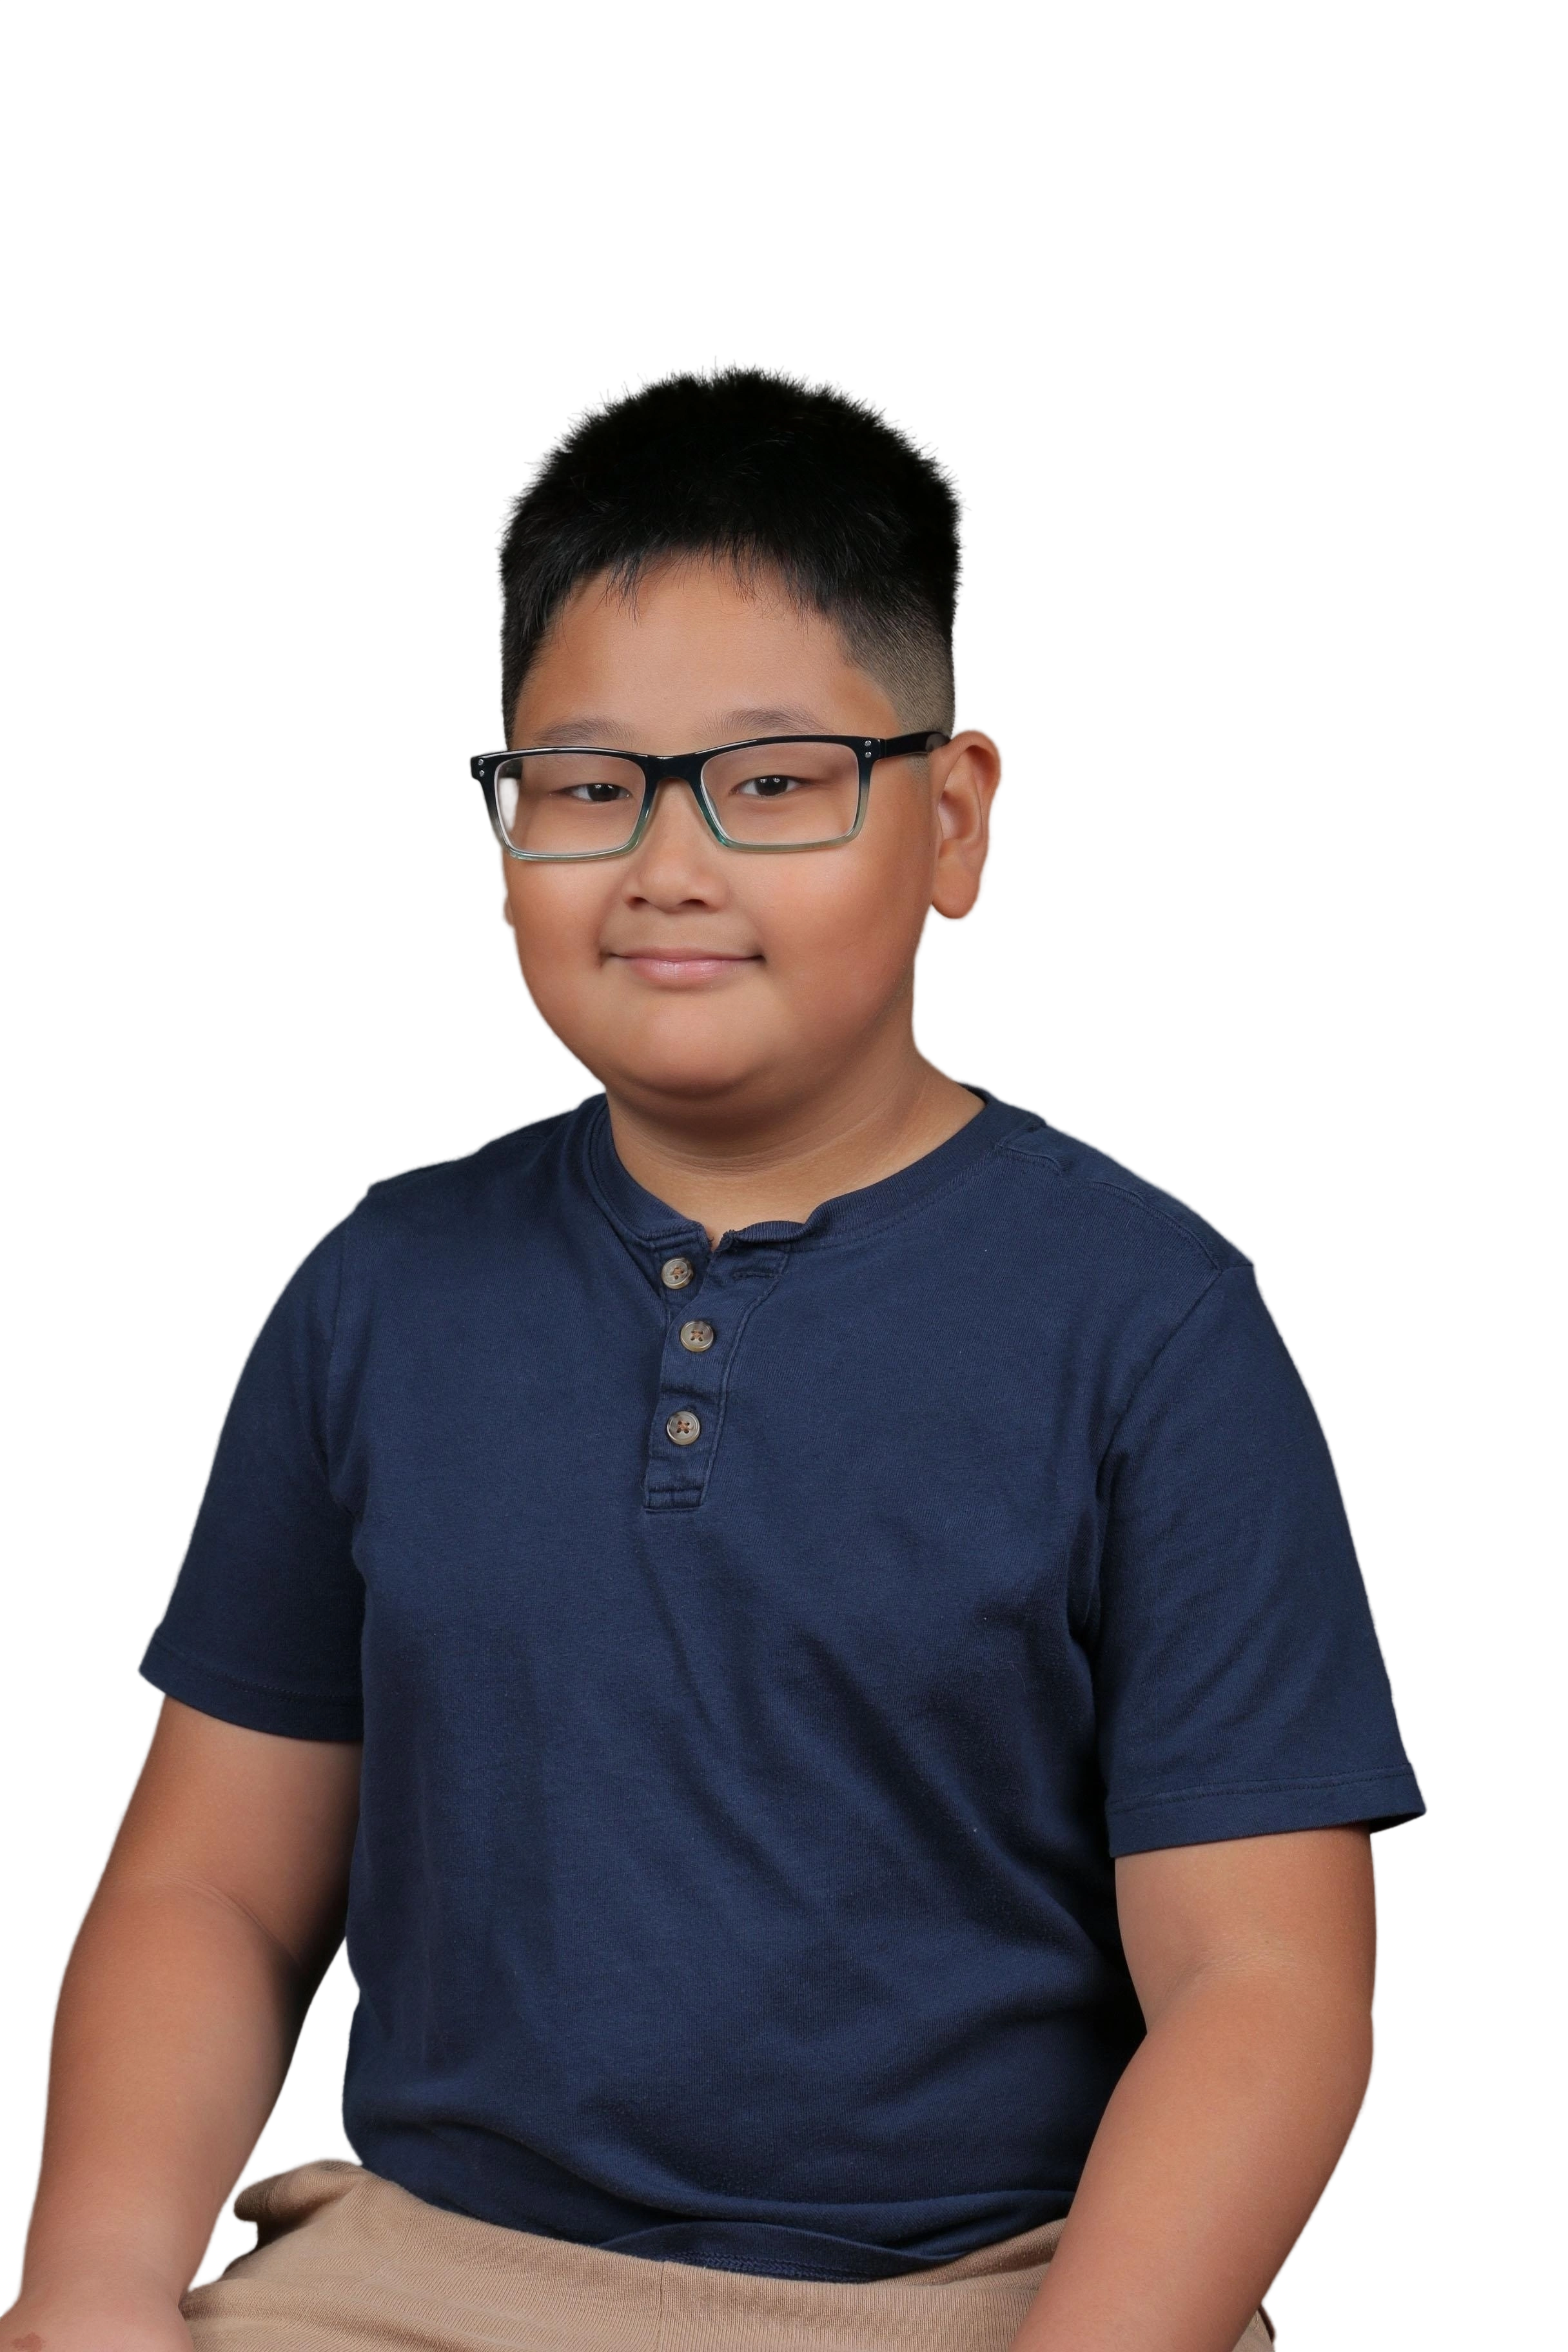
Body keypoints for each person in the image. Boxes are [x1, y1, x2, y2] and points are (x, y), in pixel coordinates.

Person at [3, 357, 1427, 2352]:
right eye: (587, 786)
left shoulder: (1155, 1323)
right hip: (431, 2277)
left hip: (992, 2293)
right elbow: (210, 1895)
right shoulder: (377, 1292)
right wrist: (89, 2288)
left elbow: (1261, 1989)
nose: (666, 864)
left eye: (771, 782)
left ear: (955, 819)